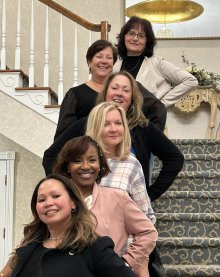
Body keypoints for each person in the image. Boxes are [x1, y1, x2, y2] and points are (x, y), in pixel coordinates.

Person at [43, 71, 184, 201]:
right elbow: (51, 156)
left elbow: (175, 158)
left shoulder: (143, 128)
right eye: (114, 88)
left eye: (126, 90)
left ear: (132, 98)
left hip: (128, 214)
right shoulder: (85, 124)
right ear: (105, 93)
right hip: (86, 212)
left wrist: (149, 194)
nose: (119, 93)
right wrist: (65, 189)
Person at [53, 136, 158, 277]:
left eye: (92, 160)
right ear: (67, 166)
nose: (85, 166)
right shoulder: (56, 200)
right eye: (77, 160)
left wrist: (126, 262)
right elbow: (38, 235)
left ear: (100, 164)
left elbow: (148, 232)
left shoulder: (118, 198)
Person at [0, 174, 138, 277]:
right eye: (41, 199)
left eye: (55, 196)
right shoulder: (28, 248)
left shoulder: (94, 247)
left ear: (73, 203)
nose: (48, 203)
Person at [55, 39, 166, 141]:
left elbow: (158, 109)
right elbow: (63, 137)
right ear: (89, 61)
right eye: (99, 56)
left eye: (109, 58)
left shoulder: (130, 86)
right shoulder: (75, 95)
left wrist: (146, 141)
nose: (104, 61)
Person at [114, 16, 198, 108]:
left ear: (147, 41)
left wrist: (160, 105)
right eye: (131, 33)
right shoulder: (115, 62)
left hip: (147, 120)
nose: (135, 38)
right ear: (124, 36)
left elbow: (190, 81)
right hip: (118, 118)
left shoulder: (157, 63)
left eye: (141, 36)